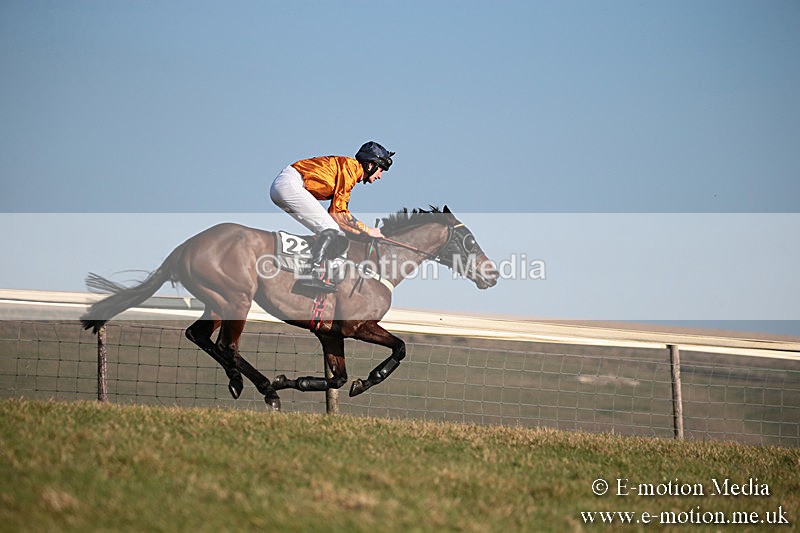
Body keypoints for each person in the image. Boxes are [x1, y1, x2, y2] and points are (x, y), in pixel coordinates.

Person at [270, 141, 394, 294]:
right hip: (290, 184)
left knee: (332, 232)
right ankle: (310, 274)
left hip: (287, 185)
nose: (380, 176)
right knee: (330, 229)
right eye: (381, 170)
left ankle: (305, 269)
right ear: (370, 165)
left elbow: (337, 216)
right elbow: (338, 212)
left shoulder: (350, 169)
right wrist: (368, 230)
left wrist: (359, 234)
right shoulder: (351, 168)